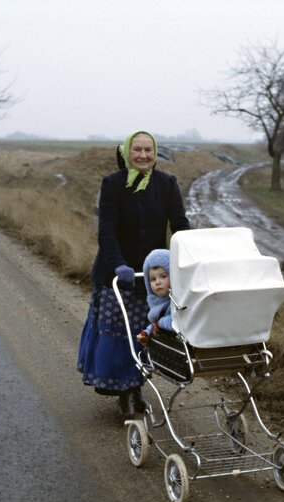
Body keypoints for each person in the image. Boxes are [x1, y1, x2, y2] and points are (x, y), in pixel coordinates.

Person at [77, 130, 190, 417]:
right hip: (119, 274)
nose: (143, 156)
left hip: (153, 276)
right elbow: (107, 230)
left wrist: (196, 253)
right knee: (120, 333)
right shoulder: (112, 184)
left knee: (148, 333)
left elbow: (179, 224)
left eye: (148, 150)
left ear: (154, 153)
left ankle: (137, 386)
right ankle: (124, 393)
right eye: (137, 150)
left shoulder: (166, 184)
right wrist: (118, 263)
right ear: (127, 152)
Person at [136, 248, 174, 345]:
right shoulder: (158, 303)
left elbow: (177, 322)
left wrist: (159, 324)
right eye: (153, 279)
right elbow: (156, 324)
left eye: (163, 276)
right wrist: (147, 332)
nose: (158, 282)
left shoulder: (177, 300)